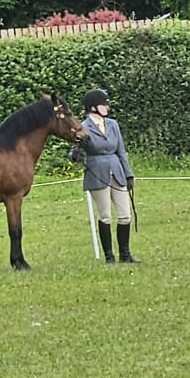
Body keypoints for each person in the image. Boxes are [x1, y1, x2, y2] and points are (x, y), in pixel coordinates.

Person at [72, 88, 140, 263]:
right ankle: (109, 256)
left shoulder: (113, 124)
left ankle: (125, 254)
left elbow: (121, 151)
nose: (107, 107)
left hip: (116, 170)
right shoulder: (83, 127)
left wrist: (128, 174)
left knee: (125, 215)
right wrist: (78, 147)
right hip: (96, 171)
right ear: (93, 107)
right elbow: (73, 155)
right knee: (105, 216)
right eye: (104, 104)